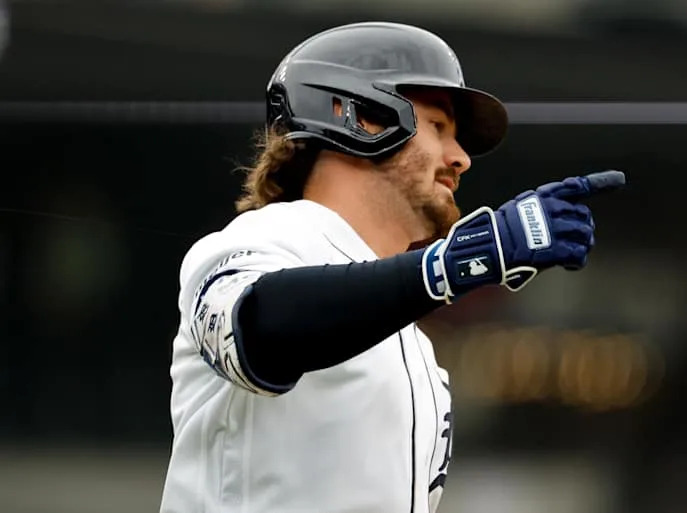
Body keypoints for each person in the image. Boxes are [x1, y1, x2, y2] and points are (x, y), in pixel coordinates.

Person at [159, 21, 625, 513]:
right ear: (363, 117)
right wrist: (463, 262)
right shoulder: (263, 239)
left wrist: (443, 270)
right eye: (439, 128)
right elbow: (261, 327)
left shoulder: (413, 345)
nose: (461, 158)